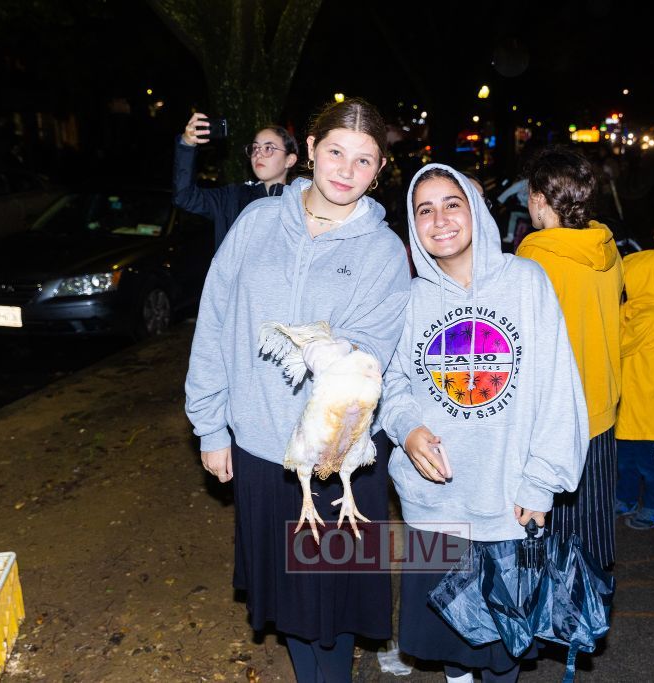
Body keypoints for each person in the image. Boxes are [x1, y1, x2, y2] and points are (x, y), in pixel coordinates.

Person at [184, 98, 410, 682]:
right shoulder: (257, 223)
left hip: (337, 457)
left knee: (329, 611)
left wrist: (331, 349)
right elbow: (215, 319)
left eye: (363, 160)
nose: (346, 170)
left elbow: (373, 352)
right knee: (288, 607)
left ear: (379, 169)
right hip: (261, 449)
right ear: (309, 150)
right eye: (335, 151)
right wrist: (211, 425)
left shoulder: (383, 250)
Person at [379, 164, 588, 682]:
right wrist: (406, 428)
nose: (440, 219)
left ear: (475, 210)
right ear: (413, 223)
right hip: (436, 504)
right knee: (450, 643)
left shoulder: (525, 282)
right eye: (424, 209)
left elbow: (559, 388)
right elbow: (390, 381)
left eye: (452, 204)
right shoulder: (409, 299)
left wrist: (542, 480)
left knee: (502, 648)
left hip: (506, 500)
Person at [516, 146, 623, 570]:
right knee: (591, 534)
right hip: (601, 409)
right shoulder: (606, 246)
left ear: (540, 199)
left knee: (544, 539)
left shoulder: (535, 257)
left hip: (554, 417)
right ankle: (592, 606)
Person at [614, 250, 654, 530]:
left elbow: (617, 344)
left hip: (649, 404)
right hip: (634, 399)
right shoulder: (639, 309)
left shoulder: (653, 315)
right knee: (625, 459)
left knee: (649, 464)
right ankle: (626, 498)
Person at [175, 112, 299, 248]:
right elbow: (185, 197)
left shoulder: (300, 203)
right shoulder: (233, 197)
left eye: (268, 148)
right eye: (255, 148)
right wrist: (186, 144)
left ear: (290, 160)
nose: (258, 154)